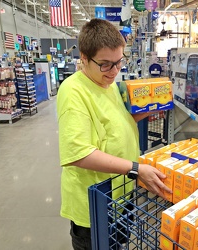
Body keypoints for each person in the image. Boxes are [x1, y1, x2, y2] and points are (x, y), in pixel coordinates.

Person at [56, 18, 172, 250]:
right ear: (84, 59)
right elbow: (79, 154)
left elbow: (116, 123)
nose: (115, 70)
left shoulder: (105, 83)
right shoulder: (73, 92)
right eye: (106, 64)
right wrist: (137, 169)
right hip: (95, 207)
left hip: (119, 195)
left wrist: (148, 109)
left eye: (119, 62)